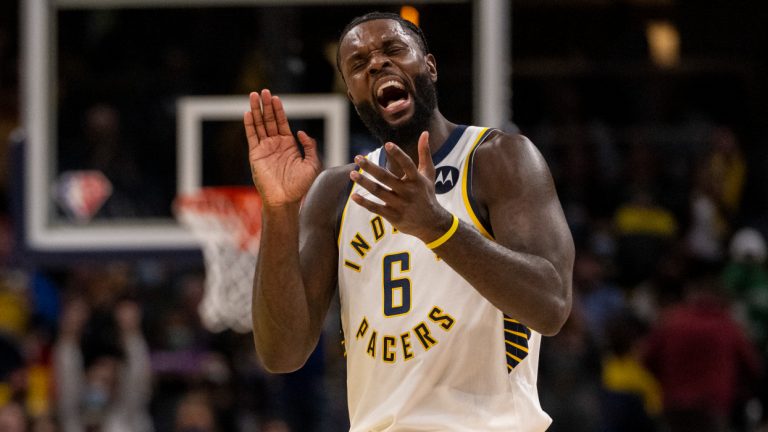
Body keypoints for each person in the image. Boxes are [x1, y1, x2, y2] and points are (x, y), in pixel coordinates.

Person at [243, 11, 574, 431]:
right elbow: (282, 353)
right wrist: (278, 210)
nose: (377, 64)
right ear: (352, 92)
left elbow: (552, 307)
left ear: (429, 67)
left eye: (393, 49)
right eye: (359, 65)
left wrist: (439, 229)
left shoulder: (497, 158)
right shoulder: (335, 193)